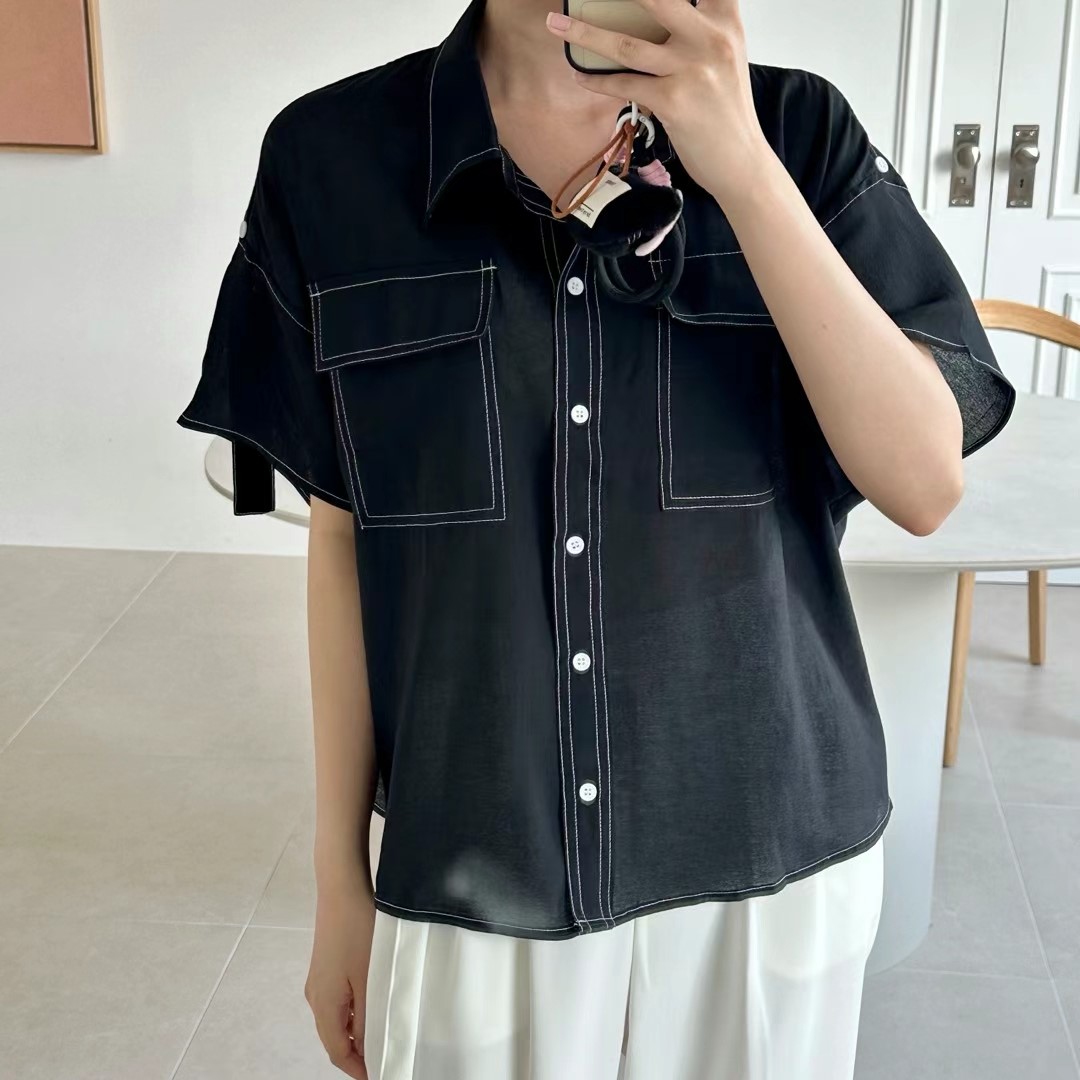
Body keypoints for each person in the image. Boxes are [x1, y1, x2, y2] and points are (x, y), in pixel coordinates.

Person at [176, 0, 1017, 1077]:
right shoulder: (330, 158)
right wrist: (340, 877)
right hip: (476, 866)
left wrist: (746, 173)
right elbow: (342, 539)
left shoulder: (799, 135)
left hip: (765, 865)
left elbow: (923, 482)